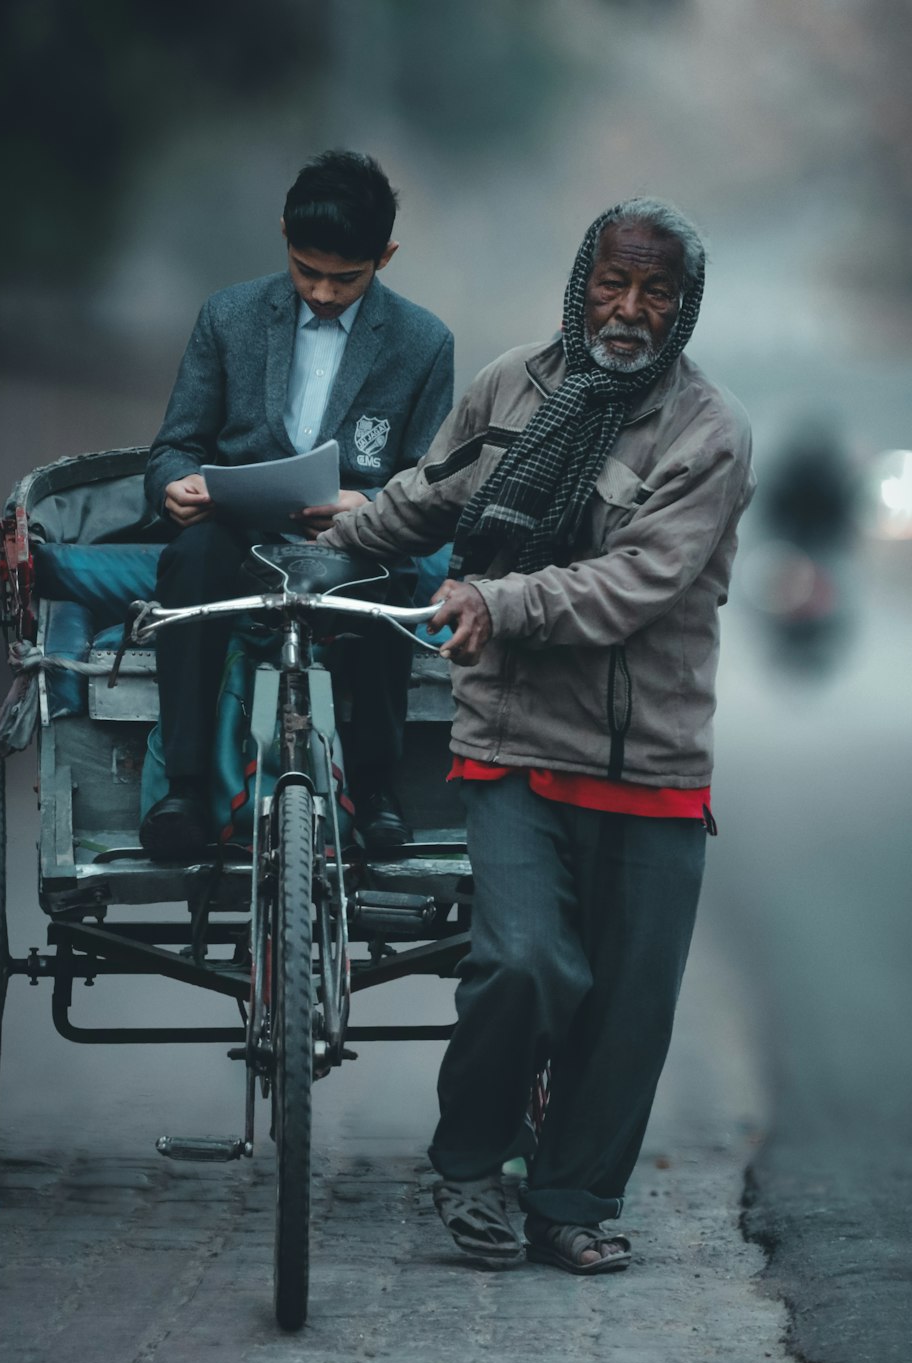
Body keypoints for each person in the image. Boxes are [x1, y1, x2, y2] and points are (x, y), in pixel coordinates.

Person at [319, 198, 754, 1273]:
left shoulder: (710, 432)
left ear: (684, 307)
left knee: (625, 1007)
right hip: (511, 740)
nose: (630, 309)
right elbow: (431, 494)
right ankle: (470, 1172)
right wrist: (322, 533)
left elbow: (637, 584)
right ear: (582, 280)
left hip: (648, 759)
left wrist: (497, 602)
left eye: (657, 292)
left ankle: (572, 1203)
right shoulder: (512, 384)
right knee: (519, 963)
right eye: (613, 282)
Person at [140, 149, 454, 859]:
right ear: (283, 233)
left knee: (389, 581)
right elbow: (174, 446)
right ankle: (184, 790)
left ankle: (375, 790)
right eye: (306, 269)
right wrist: (175, 486)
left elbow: (431, 480)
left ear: (387, 256)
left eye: (347, 278)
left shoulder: (424, 342)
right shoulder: (229, 317)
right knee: (187, 562)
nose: (322, 291)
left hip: (356, 546)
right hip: (234, 537)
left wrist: (366, 504)